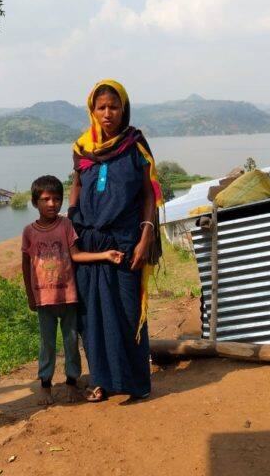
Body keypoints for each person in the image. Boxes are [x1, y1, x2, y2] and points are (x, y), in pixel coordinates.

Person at [68, 80, 165, 403]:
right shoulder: (82, 147)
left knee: (127, 309)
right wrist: (70, 221)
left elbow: (149, 193)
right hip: (88, 239)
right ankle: (101, 381)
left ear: (124, 109)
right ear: (92, 111)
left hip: (125, 238)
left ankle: (136, 383)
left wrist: (146, 236)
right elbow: (77, 185)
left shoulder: (135, 144)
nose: (107, 113)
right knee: (92, 314)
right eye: (101, 108)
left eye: (114, 107)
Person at [21, 175, 124, 405]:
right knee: (47, 344)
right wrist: (30, 295)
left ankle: (71, 383)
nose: (52, 204)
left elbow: (76, 255)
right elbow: (26, 265)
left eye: (57, 199)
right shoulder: (29, 232)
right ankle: (45, 386)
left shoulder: (66, 225)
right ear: (35, 202)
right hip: (44, 300)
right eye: (46, 199)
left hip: (68, 297)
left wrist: (105, 255)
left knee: (70, 342)